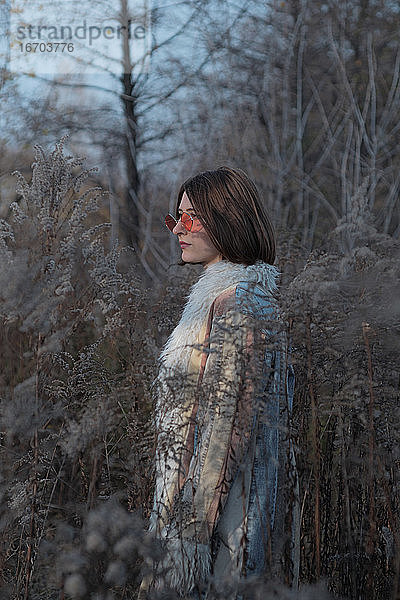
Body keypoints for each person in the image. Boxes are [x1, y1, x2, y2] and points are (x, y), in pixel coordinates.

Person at [138, 166, 299, 599]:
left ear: (227, 220)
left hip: (222, 527)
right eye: (176, 218)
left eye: (191, 217)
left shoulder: (240, 302)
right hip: (219, 513)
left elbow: (225, 433)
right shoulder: (223, 299)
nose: (179, 230)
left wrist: (189, 538)